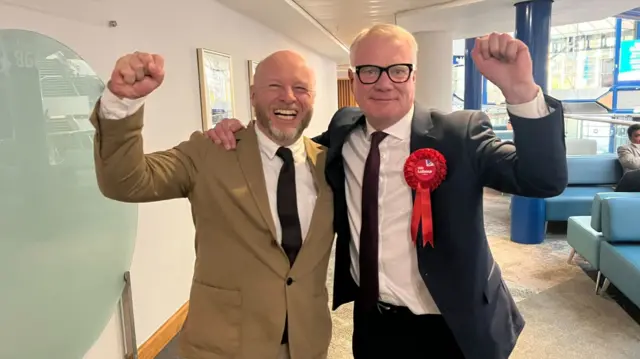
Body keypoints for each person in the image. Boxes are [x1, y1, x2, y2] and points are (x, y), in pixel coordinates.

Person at [208, 25, 568, 359]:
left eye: (397, 69)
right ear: (353, 78)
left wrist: (520, 91)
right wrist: (242, 133)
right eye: (369, 70)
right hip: (375, 324)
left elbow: (542, 180)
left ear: (413, 75)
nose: (383, 83)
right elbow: (289, 153)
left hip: (455, 326)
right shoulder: (342, 131)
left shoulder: (461, 134)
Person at [90, 50, 335, 359]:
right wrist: (121, 104)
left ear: (313, 98)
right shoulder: (210, 152)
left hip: (307, 343)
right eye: (274, 86)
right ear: (252, 95)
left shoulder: (330, 165)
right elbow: (125, 180)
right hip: (225, 347)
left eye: (300, 88)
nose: (288, 97)